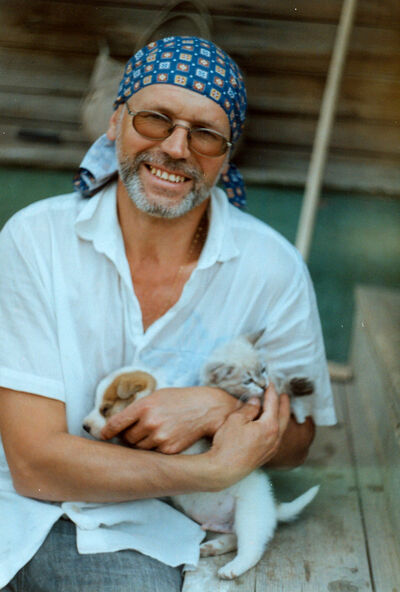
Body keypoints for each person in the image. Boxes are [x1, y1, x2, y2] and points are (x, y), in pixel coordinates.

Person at [0, 36, 336, 591]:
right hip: (20, 509)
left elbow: (298, 440)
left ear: (227, 153)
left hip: (151, 524)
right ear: (116, 122)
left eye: (205, 133)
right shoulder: (36, 240)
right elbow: (34, 465)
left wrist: (217, 408)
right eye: (155, 119)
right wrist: (209, 470)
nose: (177, 148)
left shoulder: (272, 267)